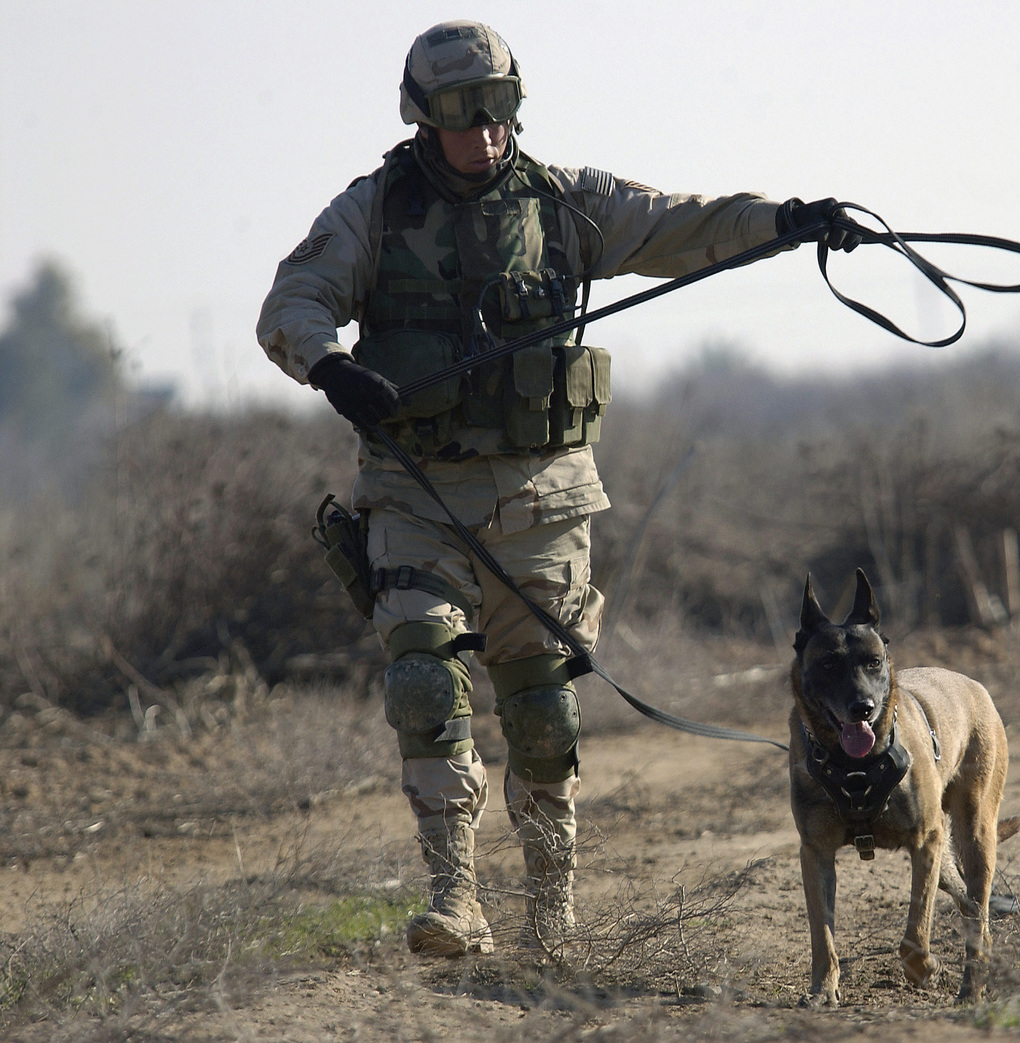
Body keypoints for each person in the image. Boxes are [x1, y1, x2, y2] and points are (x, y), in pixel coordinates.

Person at [257, 19, 857, 960]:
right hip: (416, 497)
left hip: (543, 500)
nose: (486, 134)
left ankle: (551, 917)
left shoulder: (568, 204)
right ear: (422, 119)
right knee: (424, 676)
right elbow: (293, 301)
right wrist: (329, 366)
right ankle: (455, 896)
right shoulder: (372, 211)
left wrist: (785, 222)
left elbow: (682, 225)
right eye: (464, 116)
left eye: (500, 111)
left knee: (542, 707)